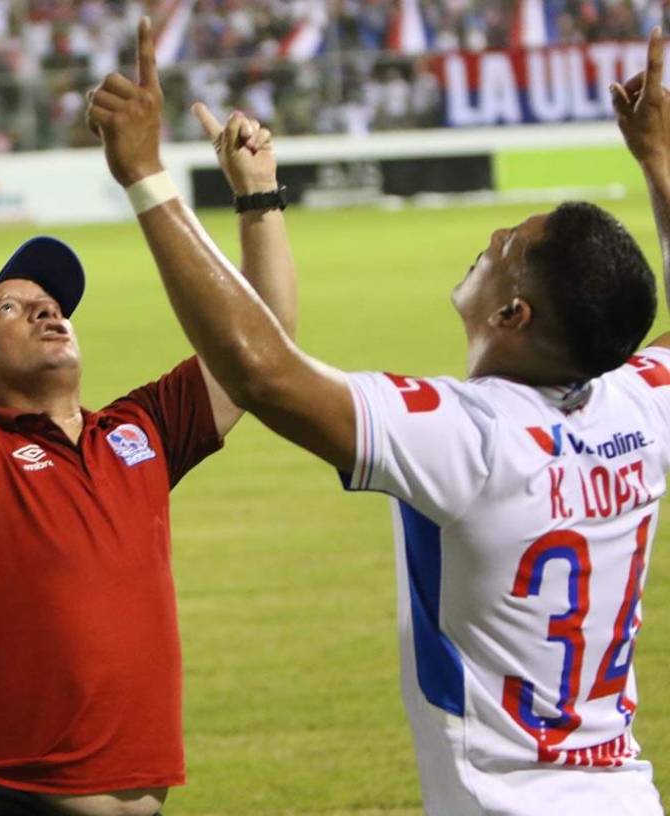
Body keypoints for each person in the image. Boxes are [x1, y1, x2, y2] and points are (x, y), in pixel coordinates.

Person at [88, 18, 667, 816]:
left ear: (512, 313)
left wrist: (148, 177)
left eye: (510, 245)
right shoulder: (638, 407)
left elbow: (263, 372)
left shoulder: (469, 439)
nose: (494, 236)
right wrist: (659, 161)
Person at [0, 67, 295, 815]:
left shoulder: (139, 432)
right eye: (12, 307)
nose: (47, 311)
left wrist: (257, 197)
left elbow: (267, 352)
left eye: (52, 304)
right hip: (2, 796)